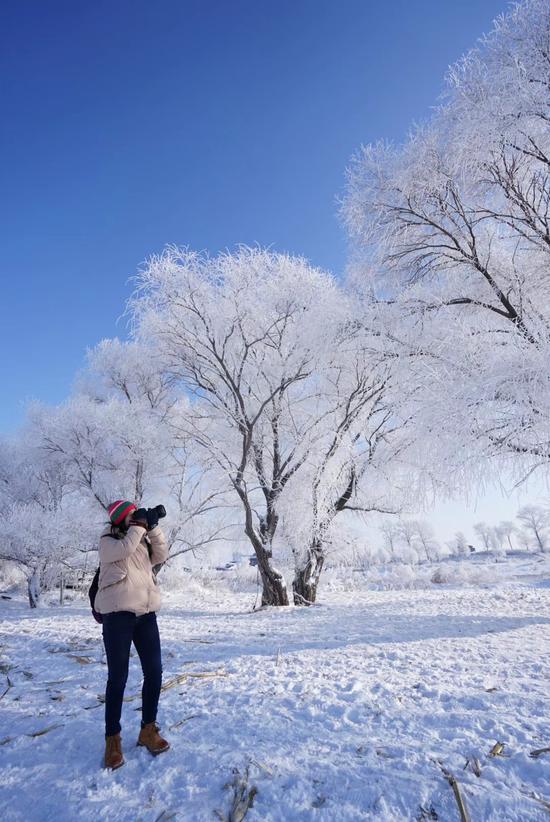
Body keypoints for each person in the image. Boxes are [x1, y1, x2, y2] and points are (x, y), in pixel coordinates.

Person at [95, 499, 170, 770]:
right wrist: (139, 526)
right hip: (118, 617)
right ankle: (112, 740)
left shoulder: (140, 539)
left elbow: (161, 555)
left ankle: (148, 729)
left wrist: (153, 528)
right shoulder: (109, 540)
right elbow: (124, 548)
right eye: (132, 516)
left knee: (155, 671)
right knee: (118, 678)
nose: (136, 519)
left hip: (145, 615)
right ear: (121, 519)